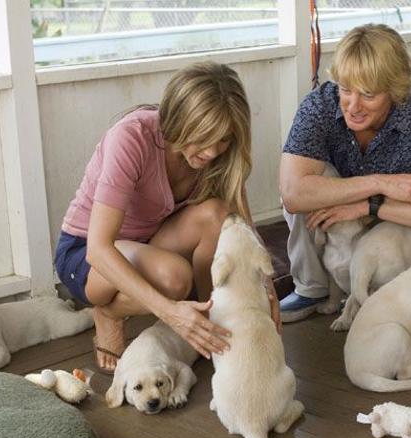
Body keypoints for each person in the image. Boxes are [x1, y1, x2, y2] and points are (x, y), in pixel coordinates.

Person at [55, 62, 280, 373]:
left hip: (149, 242)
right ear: (178, 121)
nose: (213, 151)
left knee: (218, 214)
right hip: (86, 253)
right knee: (175, 278)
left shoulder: (220, 154)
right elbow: (99, 248)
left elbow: (243, 227)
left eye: (224, 139)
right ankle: (109, 313)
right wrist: (171, 313)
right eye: (203, 137)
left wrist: (265, 286)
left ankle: (210, 325)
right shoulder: (132, 136)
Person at [279, 23, 411, 322]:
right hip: (344, 225)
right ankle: (312, 287)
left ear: (394, 91)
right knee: (302, 183)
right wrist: (378, 183)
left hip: (399, 224)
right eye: (345, 90)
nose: (353, 106)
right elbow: (292, 195)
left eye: (368, 95)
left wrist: (370, 205)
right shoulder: (318, 105)